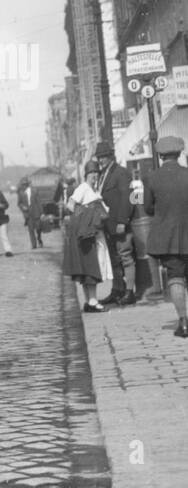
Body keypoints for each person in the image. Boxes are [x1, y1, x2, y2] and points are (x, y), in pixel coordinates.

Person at [144, 136, 188, 338]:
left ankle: (183, 323)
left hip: (168, 238)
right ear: (180, 153)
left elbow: (148, 208)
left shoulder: (152, 178)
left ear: (160, 155)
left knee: (175, 278)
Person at [63, 160, 110, 313]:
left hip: (93, 233)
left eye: (97, 173)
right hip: (87, 234)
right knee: (91, 268)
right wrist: (86, 214)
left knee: (89, 267)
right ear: (86, 175)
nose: (95, 176)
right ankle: (93, 301)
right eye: (92, 173)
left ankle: (89, 301)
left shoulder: (93, 188)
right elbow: (70, 204)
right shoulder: (83, 188)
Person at [94, 141, 136, 306]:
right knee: (114, 259)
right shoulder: (103, 175)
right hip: (108, 226)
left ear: (111, 156)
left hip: (120, 225)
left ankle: (129, 292)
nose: (101, 160)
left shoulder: (121, 173)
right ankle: (117, 290)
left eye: (103, 156)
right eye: (99, 157)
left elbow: (128, 199)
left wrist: (122, 221)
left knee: (125, 257)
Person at [18, 176, 46, 249]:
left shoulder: (34, 191)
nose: (23, 186)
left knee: (38, 228)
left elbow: (39, 202)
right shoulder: (21, 193)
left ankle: (39, 239)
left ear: (27, 185)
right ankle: (33, 245)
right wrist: (22, 207)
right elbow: (19, 203)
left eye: (24, 184)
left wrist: (42, 213)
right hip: (28, 213)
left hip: (36, 211)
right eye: (22, 185)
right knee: (30, 229)